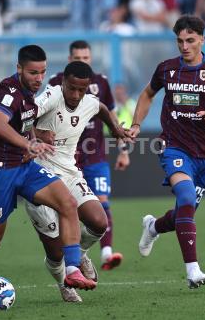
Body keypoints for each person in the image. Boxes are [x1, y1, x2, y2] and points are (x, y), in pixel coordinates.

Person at [0, 45, 97, 309]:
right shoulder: (8, 91)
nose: (38, 78)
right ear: (19, 68)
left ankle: (72, 270)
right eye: (33, 72)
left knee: (67, 203)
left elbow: (22, 123)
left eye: (43, 72)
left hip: (25, 167)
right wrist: (28, 144)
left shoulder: (31, 95)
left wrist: (36, 137)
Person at [131, 14, 205, 288]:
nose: (184, 46)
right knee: (184, 196)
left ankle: (153, 227)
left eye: (190, 40)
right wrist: (136, 124)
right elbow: (147, 94)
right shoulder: (167, 69)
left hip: (204, 156)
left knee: (184, 212)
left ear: (202, 40)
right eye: (180, 41)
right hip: (172, 146)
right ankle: (193, 271)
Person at [27, 61, 130, 302]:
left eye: (81, 90)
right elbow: (25, 114)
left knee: (98, 221)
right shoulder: (52, 96)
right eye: (71, 88)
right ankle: (64, 283)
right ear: (63, 83)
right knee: (54, 250)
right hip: (38, 177)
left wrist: (115, 129)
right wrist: (38, 135)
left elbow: (102, 108)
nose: (75, 95)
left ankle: (79, 253)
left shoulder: (88, 102)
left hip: (70, 174)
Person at [49, 40, 129, 271]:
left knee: (102, 203)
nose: (82, 61)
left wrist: (123, 150)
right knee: (69, 208)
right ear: (69, 59)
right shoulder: (56, 82)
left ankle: (106, 253)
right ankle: (73, 254)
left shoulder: (101, 82)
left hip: (96, 156)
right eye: (77, 58)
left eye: (85, 58)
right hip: (65, 158)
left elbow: (111, 117)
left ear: (90, 59)